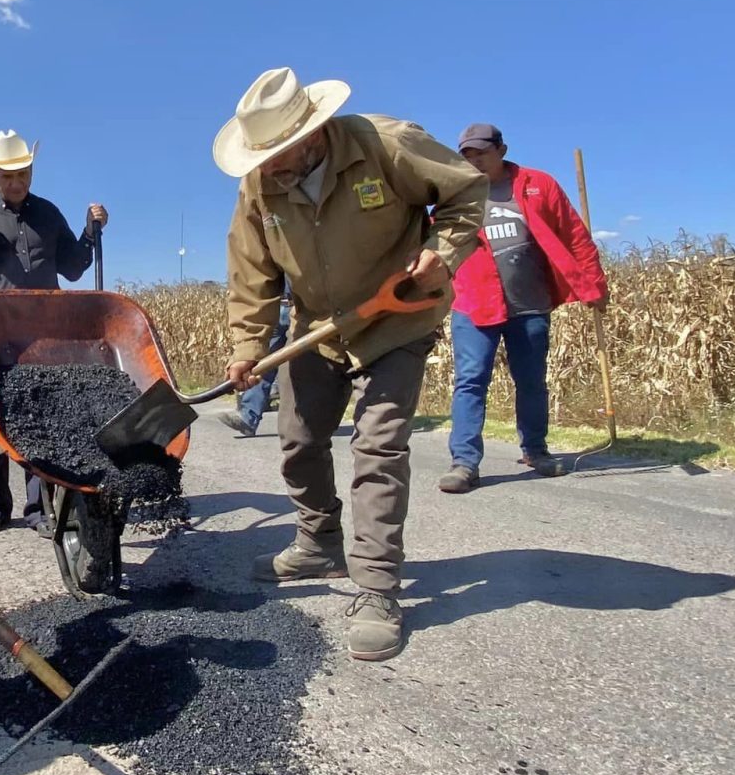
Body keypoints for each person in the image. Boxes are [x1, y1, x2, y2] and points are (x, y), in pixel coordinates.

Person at [216, 67, 484, 662]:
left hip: (397, 318)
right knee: (298, 441)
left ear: (310, 134)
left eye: (279, 155)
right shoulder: (259, 186)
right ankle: (318, 541)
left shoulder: (386, 144)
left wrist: (443, 255)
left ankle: (377, 587)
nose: (270, 169)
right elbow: (252, 274)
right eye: (262, 159)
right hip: (318, 328)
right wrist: (247, 347)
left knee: (378, 447)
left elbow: (466, 192)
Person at [0, 129, 108, 536]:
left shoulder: (49, 214)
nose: (15, 183)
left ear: (31, 172)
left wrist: (91, 231)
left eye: (22, 175)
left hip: (45, 330)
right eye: (7, 176)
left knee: (41, 415)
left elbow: (72, 267)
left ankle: (38, 508)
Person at [438, 123, 609, 493]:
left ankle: (536, 450)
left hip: (530, 303)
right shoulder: (455, 193)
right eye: (467, 155)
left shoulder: (538, 184)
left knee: (531, 381)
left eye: (482, 152)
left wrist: (594, 285)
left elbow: (575, 236)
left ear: (502, 149)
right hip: (474, 301)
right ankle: (464, 463)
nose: (475, 160)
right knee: (470, 381)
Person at [217, 294, 290, 437]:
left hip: (303, 312)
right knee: (260, 365)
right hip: (275, 309)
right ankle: (248, 419)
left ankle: (306, 425)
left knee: (302, 366)